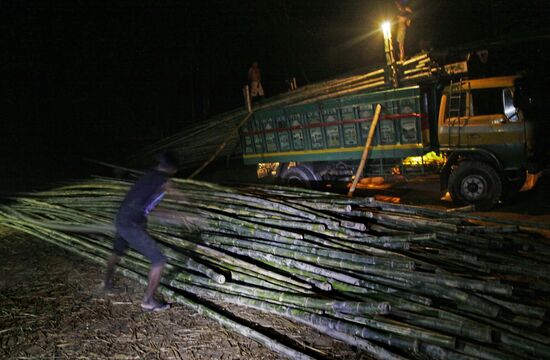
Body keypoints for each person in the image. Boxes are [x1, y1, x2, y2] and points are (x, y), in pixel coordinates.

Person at [104, 151, 185, 312]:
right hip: (131, 223)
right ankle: (148, 300)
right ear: (172, 169)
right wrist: (184, 210)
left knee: (117, 251)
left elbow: (148, 206)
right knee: (159, 260)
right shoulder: (162, 181)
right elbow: (173, 195)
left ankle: (106, 284)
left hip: (122, 218)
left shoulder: (149, 176)